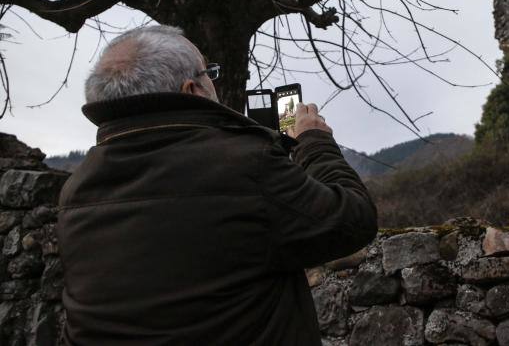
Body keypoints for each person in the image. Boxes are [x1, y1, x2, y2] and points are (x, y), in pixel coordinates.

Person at [57, 25, 377, 345]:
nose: (214, 80)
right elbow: (353, 220)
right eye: (208, 72)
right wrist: (313, 141)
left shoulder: (77, 188)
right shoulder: (245, 166)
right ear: (192, 91)